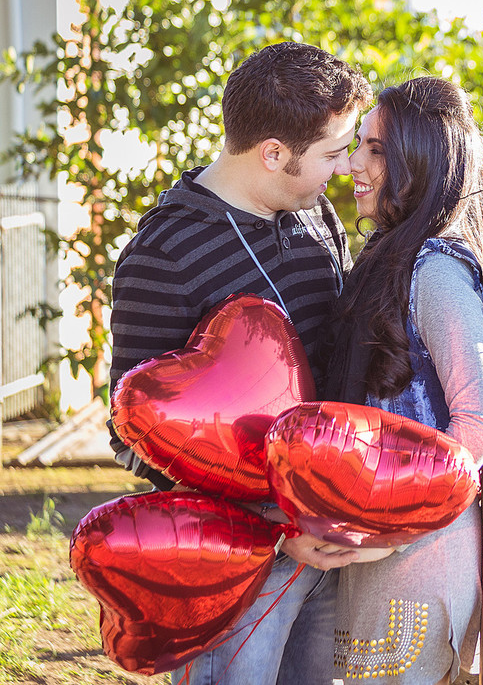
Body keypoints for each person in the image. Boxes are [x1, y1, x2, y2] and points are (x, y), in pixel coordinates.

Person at [106, 41, 373, 685]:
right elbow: (129, 433)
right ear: (274, 153)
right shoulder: (162, 253)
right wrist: (274, 529)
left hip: (330, 539)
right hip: (237, 561)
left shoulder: (315, 214)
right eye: (333, 153)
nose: (344, 168)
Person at [321, 76, 483, 683]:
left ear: (421, 163)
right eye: (360, 146)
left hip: (419, 559)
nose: (355, 163)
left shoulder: (436, 273)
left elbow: (482, 419)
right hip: (383, 551)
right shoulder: (394, 255)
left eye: (376, 149)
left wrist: (396, 531)